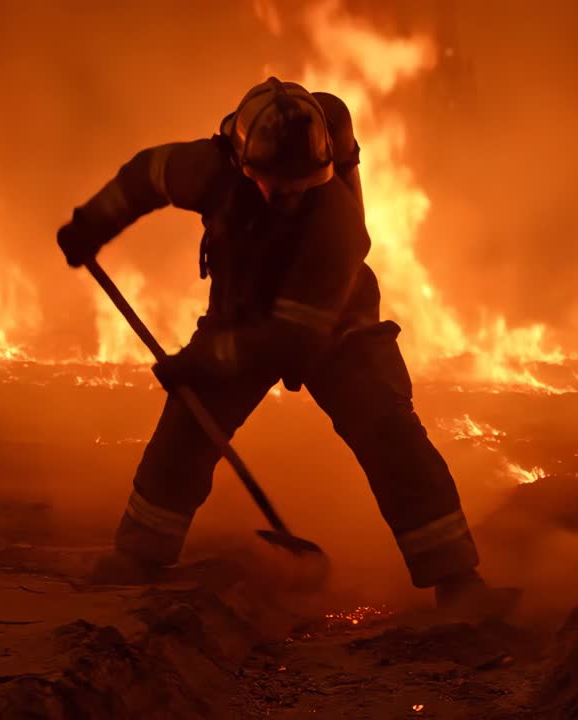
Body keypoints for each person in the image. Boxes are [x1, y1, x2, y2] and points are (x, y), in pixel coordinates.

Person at [57, 77, 517, 615]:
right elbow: (144, 178)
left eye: (305, 184)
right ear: (243, 165)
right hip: (243, 311)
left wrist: (202, 360)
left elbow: (288, 341)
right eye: (281, 184)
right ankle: (141, 553)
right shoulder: (210, 169)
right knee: (190, 421)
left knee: (388, 431)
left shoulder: (336, 224)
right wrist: (92, 224)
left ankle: (457, 579)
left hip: (335, 325)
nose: (293, 195)